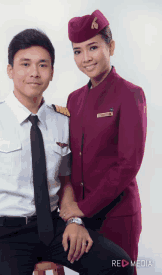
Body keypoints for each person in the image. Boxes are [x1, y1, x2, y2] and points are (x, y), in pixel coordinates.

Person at [0, 28, 134, 275]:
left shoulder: (62, 120)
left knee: (118, 265)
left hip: (53, 227)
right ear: (10, 70)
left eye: (43, 65)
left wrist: (74, 221)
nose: (34, 73)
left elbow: (65, 180)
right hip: (3, 233)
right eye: (25, 64)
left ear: (52, 72)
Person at [58, 10, 147, 275]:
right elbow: (68, 156)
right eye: (77, 51)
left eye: (93, 47)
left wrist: (82, 208)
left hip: (116, 216)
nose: (85, 58)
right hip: (82, 221)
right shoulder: (74, 99)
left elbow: (128, 164)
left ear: (111, 46)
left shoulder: (130, 94)